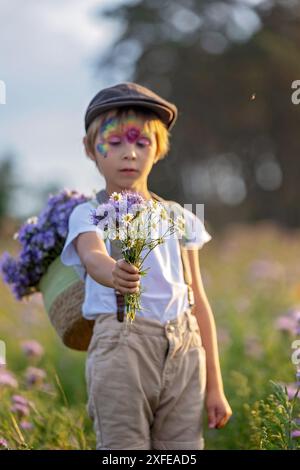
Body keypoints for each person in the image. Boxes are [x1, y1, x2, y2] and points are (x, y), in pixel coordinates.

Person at [60, 82, 232, 450]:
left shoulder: (179, 218)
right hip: (122, 348)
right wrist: (114, 273)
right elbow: (93, 257)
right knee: (125, 447)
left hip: (185, 351)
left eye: (142, 143)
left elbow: (197, 300)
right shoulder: (88, 213)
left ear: (158, 150)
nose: (129, 154)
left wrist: (214, 386)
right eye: (116, 142)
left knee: (183, 448)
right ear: (91, 149)